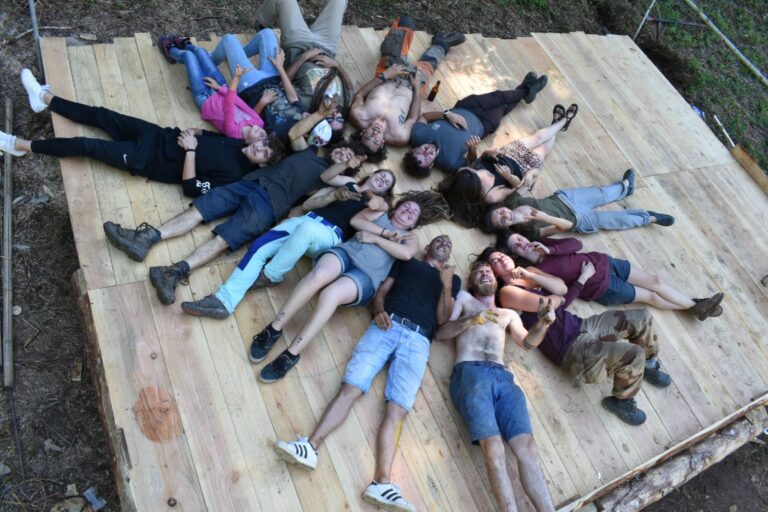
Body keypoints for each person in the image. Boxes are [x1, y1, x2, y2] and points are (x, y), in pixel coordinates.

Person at [272, 235, 460, 512]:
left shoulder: (453, 280)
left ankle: (382, 483)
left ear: (449, 255)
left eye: (448, 243)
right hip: (388, 324)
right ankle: (310, 447)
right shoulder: (408, 263)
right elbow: (382, 292)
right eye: (439, 239)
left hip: (419, 341)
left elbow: (442, 320)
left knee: (398, 409)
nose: (444, 242)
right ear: (428, 247)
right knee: (352, 386)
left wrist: (446, 284)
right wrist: (378, 310)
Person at [103, 143, 367, 305]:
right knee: (199, 210)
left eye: (348, 157)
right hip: (250, 183)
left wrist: (342, 174)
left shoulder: (331, 180)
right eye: (343, 149)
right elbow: (296, 132)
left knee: (223, 239)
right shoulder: (308, 150)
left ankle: (172, 273)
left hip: (270, 205)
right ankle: (146, 238)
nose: (344, 154)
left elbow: (314, 200)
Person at [251, 190, 451, 383]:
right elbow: (357, 221)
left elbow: (406, 254)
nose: (409, 211)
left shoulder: (410, 238)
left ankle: (291, 354)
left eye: (414, 212)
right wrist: (385, 233)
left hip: (367, 276)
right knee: (319, 275)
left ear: (414, 223)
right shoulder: (381, 214)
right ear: (396, 208)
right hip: (347, 253)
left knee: (331, 294)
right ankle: (274, 329)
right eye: (406, 206)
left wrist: (375, 238)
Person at [3, 69, 282, 197]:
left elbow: (192, 188)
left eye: (264, 153)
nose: (259, 147)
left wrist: (191, 151)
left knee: (86, 145)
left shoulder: (233, 175)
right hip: (156, 135)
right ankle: (45, 98)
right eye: (264, 144)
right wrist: (195, 133)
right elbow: (206, 137)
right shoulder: (235, 142)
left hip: (146, 159)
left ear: (262, 164)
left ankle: (19, 145)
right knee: (101, 114)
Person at [482, 249, 673, 426]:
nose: (501, 258)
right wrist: (558, 299)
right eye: (495, 261)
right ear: (495, 273)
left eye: (501, 255)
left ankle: (648, 364)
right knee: (634, 354)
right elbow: (549, 303)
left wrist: (532, 276)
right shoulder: (507, 293)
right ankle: (621, 402)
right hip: (571, 349)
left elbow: (562, 290)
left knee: (642, 317)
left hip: (582, 326)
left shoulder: (530, 273)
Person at [180, 167, 396, 319]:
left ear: (386, 191)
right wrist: (335, 193)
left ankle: (272, 275)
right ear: (373, 173)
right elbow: (322, 184)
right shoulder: (348, 183)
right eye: (382, 175)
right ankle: (224, 301)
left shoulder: (379, 204)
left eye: (387, 182)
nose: (383, 180)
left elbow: (380, 206)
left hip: (330, 234)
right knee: (259, 246)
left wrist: (374, 197)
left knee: (306, 229)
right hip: (307, 219)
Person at [434, 260, 556, 512]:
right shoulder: (465, 299)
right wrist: (471, 320)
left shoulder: (508, 314)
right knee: (493, 447)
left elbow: (527, 343)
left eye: (488, 271)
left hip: (504, 378)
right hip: (471, 372)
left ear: (496, 280)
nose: (484, 274)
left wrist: (543, 324)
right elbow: (441, 333)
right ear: (472, 282)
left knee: (527, 448)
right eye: (478, 273)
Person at [498, 234, 725, 319]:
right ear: (518, 255)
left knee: (656, 281)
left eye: (519, 238)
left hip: (606, 262)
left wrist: (551, 249)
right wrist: (582, 278)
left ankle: (697, 307)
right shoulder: (535, 272)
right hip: (603, 287)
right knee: (651, 297)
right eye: (516, 246)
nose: (521, 243)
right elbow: (563, 299)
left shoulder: (545, 245)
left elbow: (576, 244)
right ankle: (696, 306)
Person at [438, 104, 578, 226]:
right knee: (543, 149)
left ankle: (561, 122)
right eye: (473, 173)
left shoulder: (463, 175)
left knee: (539, 137)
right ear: (473, 188)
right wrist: (508, 176)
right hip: (522, 170)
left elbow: (479, 159)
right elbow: (517, 187)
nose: (471, 169)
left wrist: (485, 151)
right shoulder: (489, 196)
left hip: (506, 154)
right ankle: (560, 123)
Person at [349, 16, 466, 150]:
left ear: (362, 133)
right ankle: (441, 43)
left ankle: (397, 36)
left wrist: (384, 75)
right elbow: (412, 119)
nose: (374, 134)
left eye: (368, 136)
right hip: (411, 87)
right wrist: (417, 88)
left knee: (406, 22)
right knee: (429, 65)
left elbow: (359, 94)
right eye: (376, 140)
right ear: (381, 144)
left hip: (389, 73)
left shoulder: (358, 116)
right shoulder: (399, 136)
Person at [403, 73, 549, 177]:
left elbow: (424, 117)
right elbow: (471, 165)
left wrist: (446, 114)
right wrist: (472, 149)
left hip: (466, 106)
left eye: (420, 152)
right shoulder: (448, 163)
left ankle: (526, 90)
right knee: (503, 107)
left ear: (414, 149)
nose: (426, 152)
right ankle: (527, 89)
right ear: (431, 165)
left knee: (499, 96)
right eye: (426, 158)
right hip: (483, 123)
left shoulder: (417, 136)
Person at [195, 29, 322, 143]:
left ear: (305, 134)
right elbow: (293, 97)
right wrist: (280, 67)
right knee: (267, 33)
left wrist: (262, 102)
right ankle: (232, 54)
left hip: (251, 86)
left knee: (229, 40)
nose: (308, 115)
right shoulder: (304, 113)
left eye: (310, 120)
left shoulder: (280, 135)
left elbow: (252, 121)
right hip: (273, 76)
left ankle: (213, 58)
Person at [256, 0, 354, 142]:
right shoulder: (343, 105)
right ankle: (310, 22)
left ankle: (262, 23)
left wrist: (304, 57)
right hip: (327, 46)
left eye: (330, 119)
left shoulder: (306, 104)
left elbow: (285, 81)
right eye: (339, 118)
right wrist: (336, 65)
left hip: (298, 44)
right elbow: (349, 86)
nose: (334, 115)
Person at [157, 35, 279, 145]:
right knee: (200, 51)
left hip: (205, 97)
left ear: (248, 143)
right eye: (266, 137)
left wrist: (236, 79)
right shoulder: (258, 123)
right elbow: (239, 102)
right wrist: (219, 87)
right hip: (222, 88)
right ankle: (185, 45)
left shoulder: (234, 134)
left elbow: (228, 106)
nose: (262, 135)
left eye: (260, 140)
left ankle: (170, 51)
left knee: (189, 57)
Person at [480, 169, 675, 237]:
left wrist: (528, 175)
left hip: (565, 198)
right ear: (504, 227)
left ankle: (625, 187)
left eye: (500, 212)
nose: (505, 215)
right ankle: (649, 218)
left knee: (602, 193)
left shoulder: (512, 201)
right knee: (615, 219)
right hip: (578, 219)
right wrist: (545, 217)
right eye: (501, 220)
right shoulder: (526, 232)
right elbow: (564, 227)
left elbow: (525, 185)